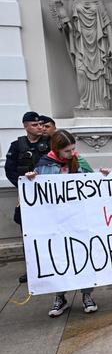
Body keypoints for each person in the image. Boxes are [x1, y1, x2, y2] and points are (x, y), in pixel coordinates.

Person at [24, 130, 110, 316]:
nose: (72, 154)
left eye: (73, 149)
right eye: (67, 151)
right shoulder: (44, 165)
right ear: (56, 149)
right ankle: (60, 297)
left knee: (83, 257)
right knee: (59, 259)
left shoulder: (78, 160)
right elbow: (38, 194)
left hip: (78, 220)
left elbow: (92, 184)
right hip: (56, 223)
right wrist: (31, 180)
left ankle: (87, 295)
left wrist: (102, 176)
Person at [52, 0, 112, 111]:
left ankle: (100, 104)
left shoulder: (98, 3)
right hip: (80, 43)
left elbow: (107, 24)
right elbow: (70, 25)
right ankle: (85, 102)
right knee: (81, 72)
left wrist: (111, 46)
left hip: (98, 43)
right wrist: (62, 19)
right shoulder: (73, 2)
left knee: (100, 73)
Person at [4, 111, 51, 283]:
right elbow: (10, 170)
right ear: (26, 126)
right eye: (35, 125)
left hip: (47, 198)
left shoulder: (50, 144)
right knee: (28, 234)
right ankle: (32, 269)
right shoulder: (17, 146)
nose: (39, 127)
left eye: (40, 124)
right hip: (27, 198)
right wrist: (24, 186)